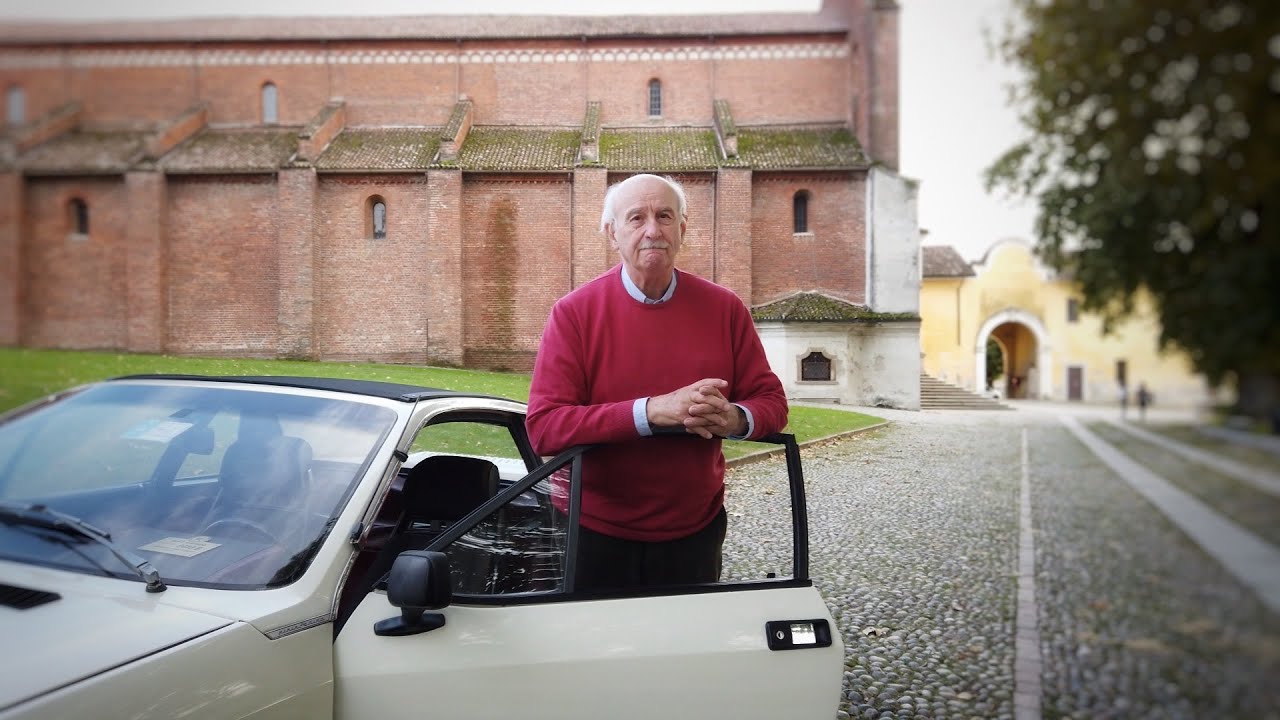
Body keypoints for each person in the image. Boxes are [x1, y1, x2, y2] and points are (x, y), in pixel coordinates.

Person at [525, 173, 788, 591]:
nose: (653, 230)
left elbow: (771, 401)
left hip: (694, 531)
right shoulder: (574, 313)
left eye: (665, 216)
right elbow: (545, 427)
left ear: (682, 229)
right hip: (592, 530)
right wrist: (650, 412)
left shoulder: (725, 309)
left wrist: (734, 418)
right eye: (636, 218)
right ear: (612, 233)